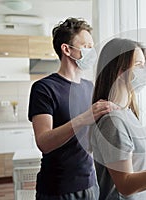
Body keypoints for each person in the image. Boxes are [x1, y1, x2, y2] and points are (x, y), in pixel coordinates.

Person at [28, 18, 118, 199]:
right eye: (86, 46)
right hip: (58, 188)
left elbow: (89, 139)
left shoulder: (89, 86)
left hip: (90, 183)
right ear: (67, 49)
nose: (91, 52)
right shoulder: (44, 88)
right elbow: (44, 143)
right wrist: (85, 118)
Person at [90, 38, 146, 200]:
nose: (145, 72)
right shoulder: (112, 121)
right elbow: (125, 185)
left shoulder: (128, 113)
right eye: (139, 65)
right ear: (120, 71)